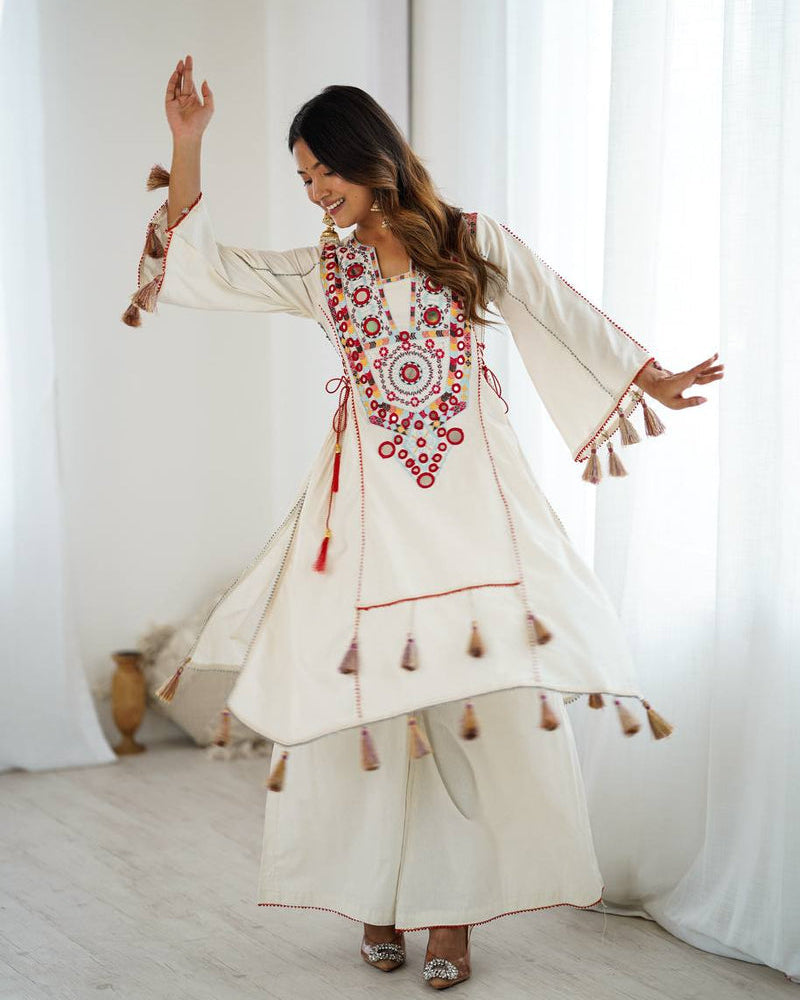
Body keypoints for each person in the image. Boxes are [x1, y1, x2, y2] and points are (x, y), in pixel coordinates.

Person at [123, 54, 724, 990]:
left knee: (464, 701)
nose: (316, 190)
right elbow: (205, 268)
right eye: (303, 176)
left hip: (471, 516)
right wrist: (188, 144)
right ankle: (378, 899)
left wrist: (652, 378)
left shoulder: (470, 241)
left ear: (374, 158)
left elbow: (562, 313)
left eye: (324, 169)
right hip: (366, 525)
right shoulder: (324, 271)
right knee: (368, 707)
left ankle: (451, 917)